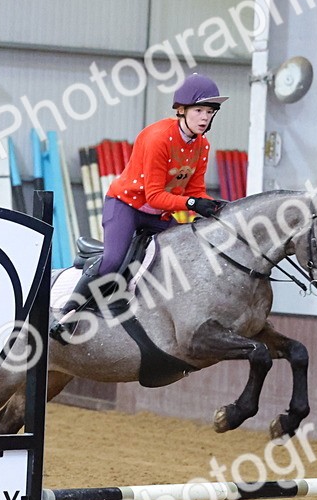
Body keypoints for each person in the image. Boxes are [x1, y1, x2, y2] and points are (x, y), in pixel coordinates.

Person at [51, 73, 228, 342]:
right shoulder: (158, 138)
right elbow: (156, 196)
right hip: (126, 207)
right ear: (182, 110)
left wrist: (213, 208)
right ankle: (67, 312)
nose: (205, 117)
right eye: (199, 110)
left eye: (210, 112)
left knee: (187, 252)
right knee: (112, 261)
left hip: (158, 214)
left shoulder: (202, 146)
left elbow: (194, 192)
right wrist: (192, 204)